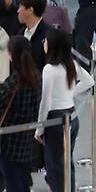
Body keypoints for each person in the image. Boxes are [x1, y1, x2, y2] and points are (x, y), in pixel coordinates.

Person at [37, 28, 94, 192]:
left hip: (55, 121)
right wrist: (70, 93)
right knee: (66, 162)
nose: (44, 43)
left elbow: (45, 102)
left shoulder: (49, 69)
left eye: (46, 40)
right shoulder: (71, 64)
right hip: (72, 117)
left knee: (54, 165)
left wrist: (39, 129)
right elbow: (89, 81)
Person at [0, 36, 40, 192]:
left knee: (13, 183)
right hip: (27, 141)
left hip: (8, 144)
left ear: (12, 55)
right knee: (23, 182)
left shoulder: (12, 83)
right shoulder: (36, 77)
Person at [17, 0, 51, 71]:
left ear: (30, 10)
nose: (18, 10)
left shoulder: (48, 35)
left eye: (20, 6)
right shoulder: (21, 33)